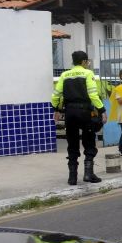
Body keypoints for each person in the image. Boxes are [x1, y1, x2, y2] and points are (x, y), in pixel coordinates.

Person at [51, 50, 106, 185]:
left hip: (69, 113)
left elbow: (56, 95)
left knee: (72, 143)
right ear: (83, 61)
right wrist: (102, 110)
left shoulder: (64, 75)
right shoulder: (88, 73)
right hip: (84, 112)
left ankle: (72, 177)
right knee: (89, 141)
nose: (87, 63)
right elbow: (93, 94)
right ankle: (88, 174)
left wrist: (56, 109)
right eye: (87, 61)